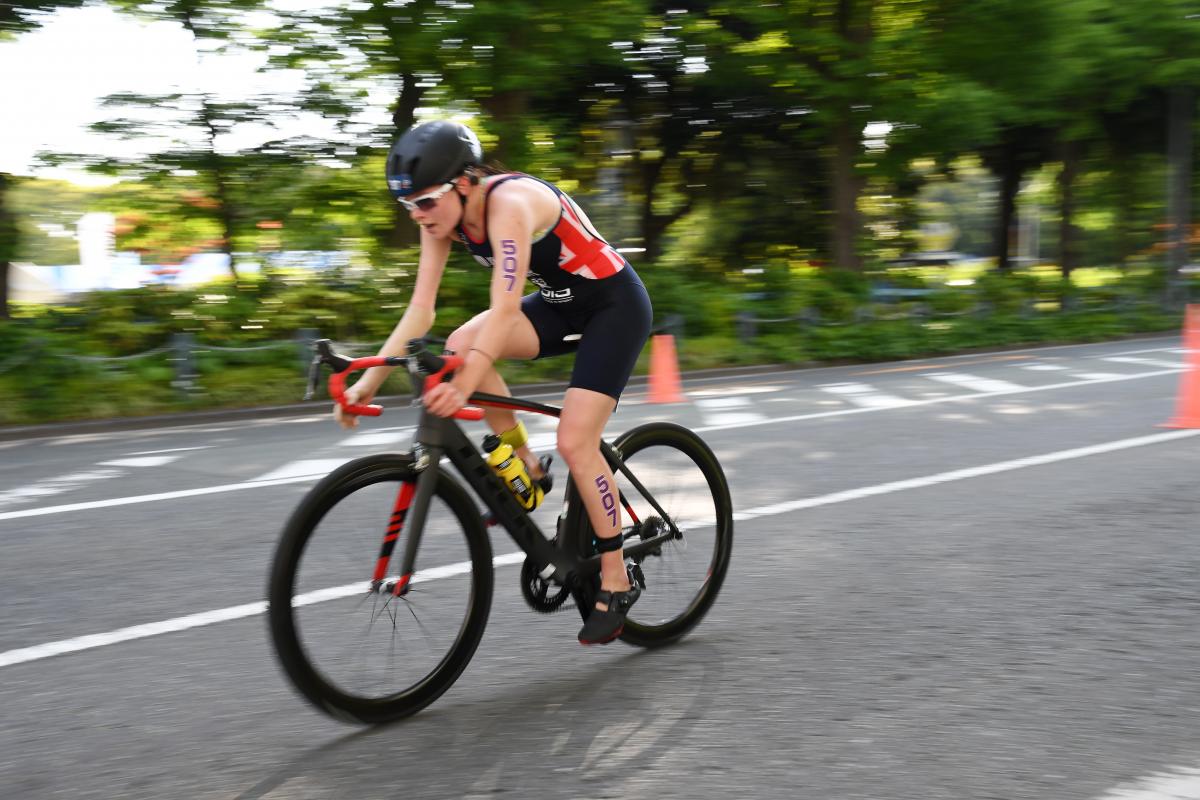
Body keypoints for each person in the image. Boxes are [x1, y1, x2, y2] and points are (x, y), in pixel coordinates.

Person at [335, 120, 654, 645]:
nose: (418, 215)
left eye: (425, 203)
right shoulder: (440, 216)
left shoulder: (510, 205)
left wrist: (463, 388)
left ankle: (616, 581)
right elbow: (421, 310)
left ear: (463, 183)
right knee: (460, 346)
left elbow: (504, 310)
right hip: (558, 303)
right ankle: (526, 466)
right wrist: (367, 382)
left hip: (612, 306)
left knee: (576, 440)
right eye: (407, 206)